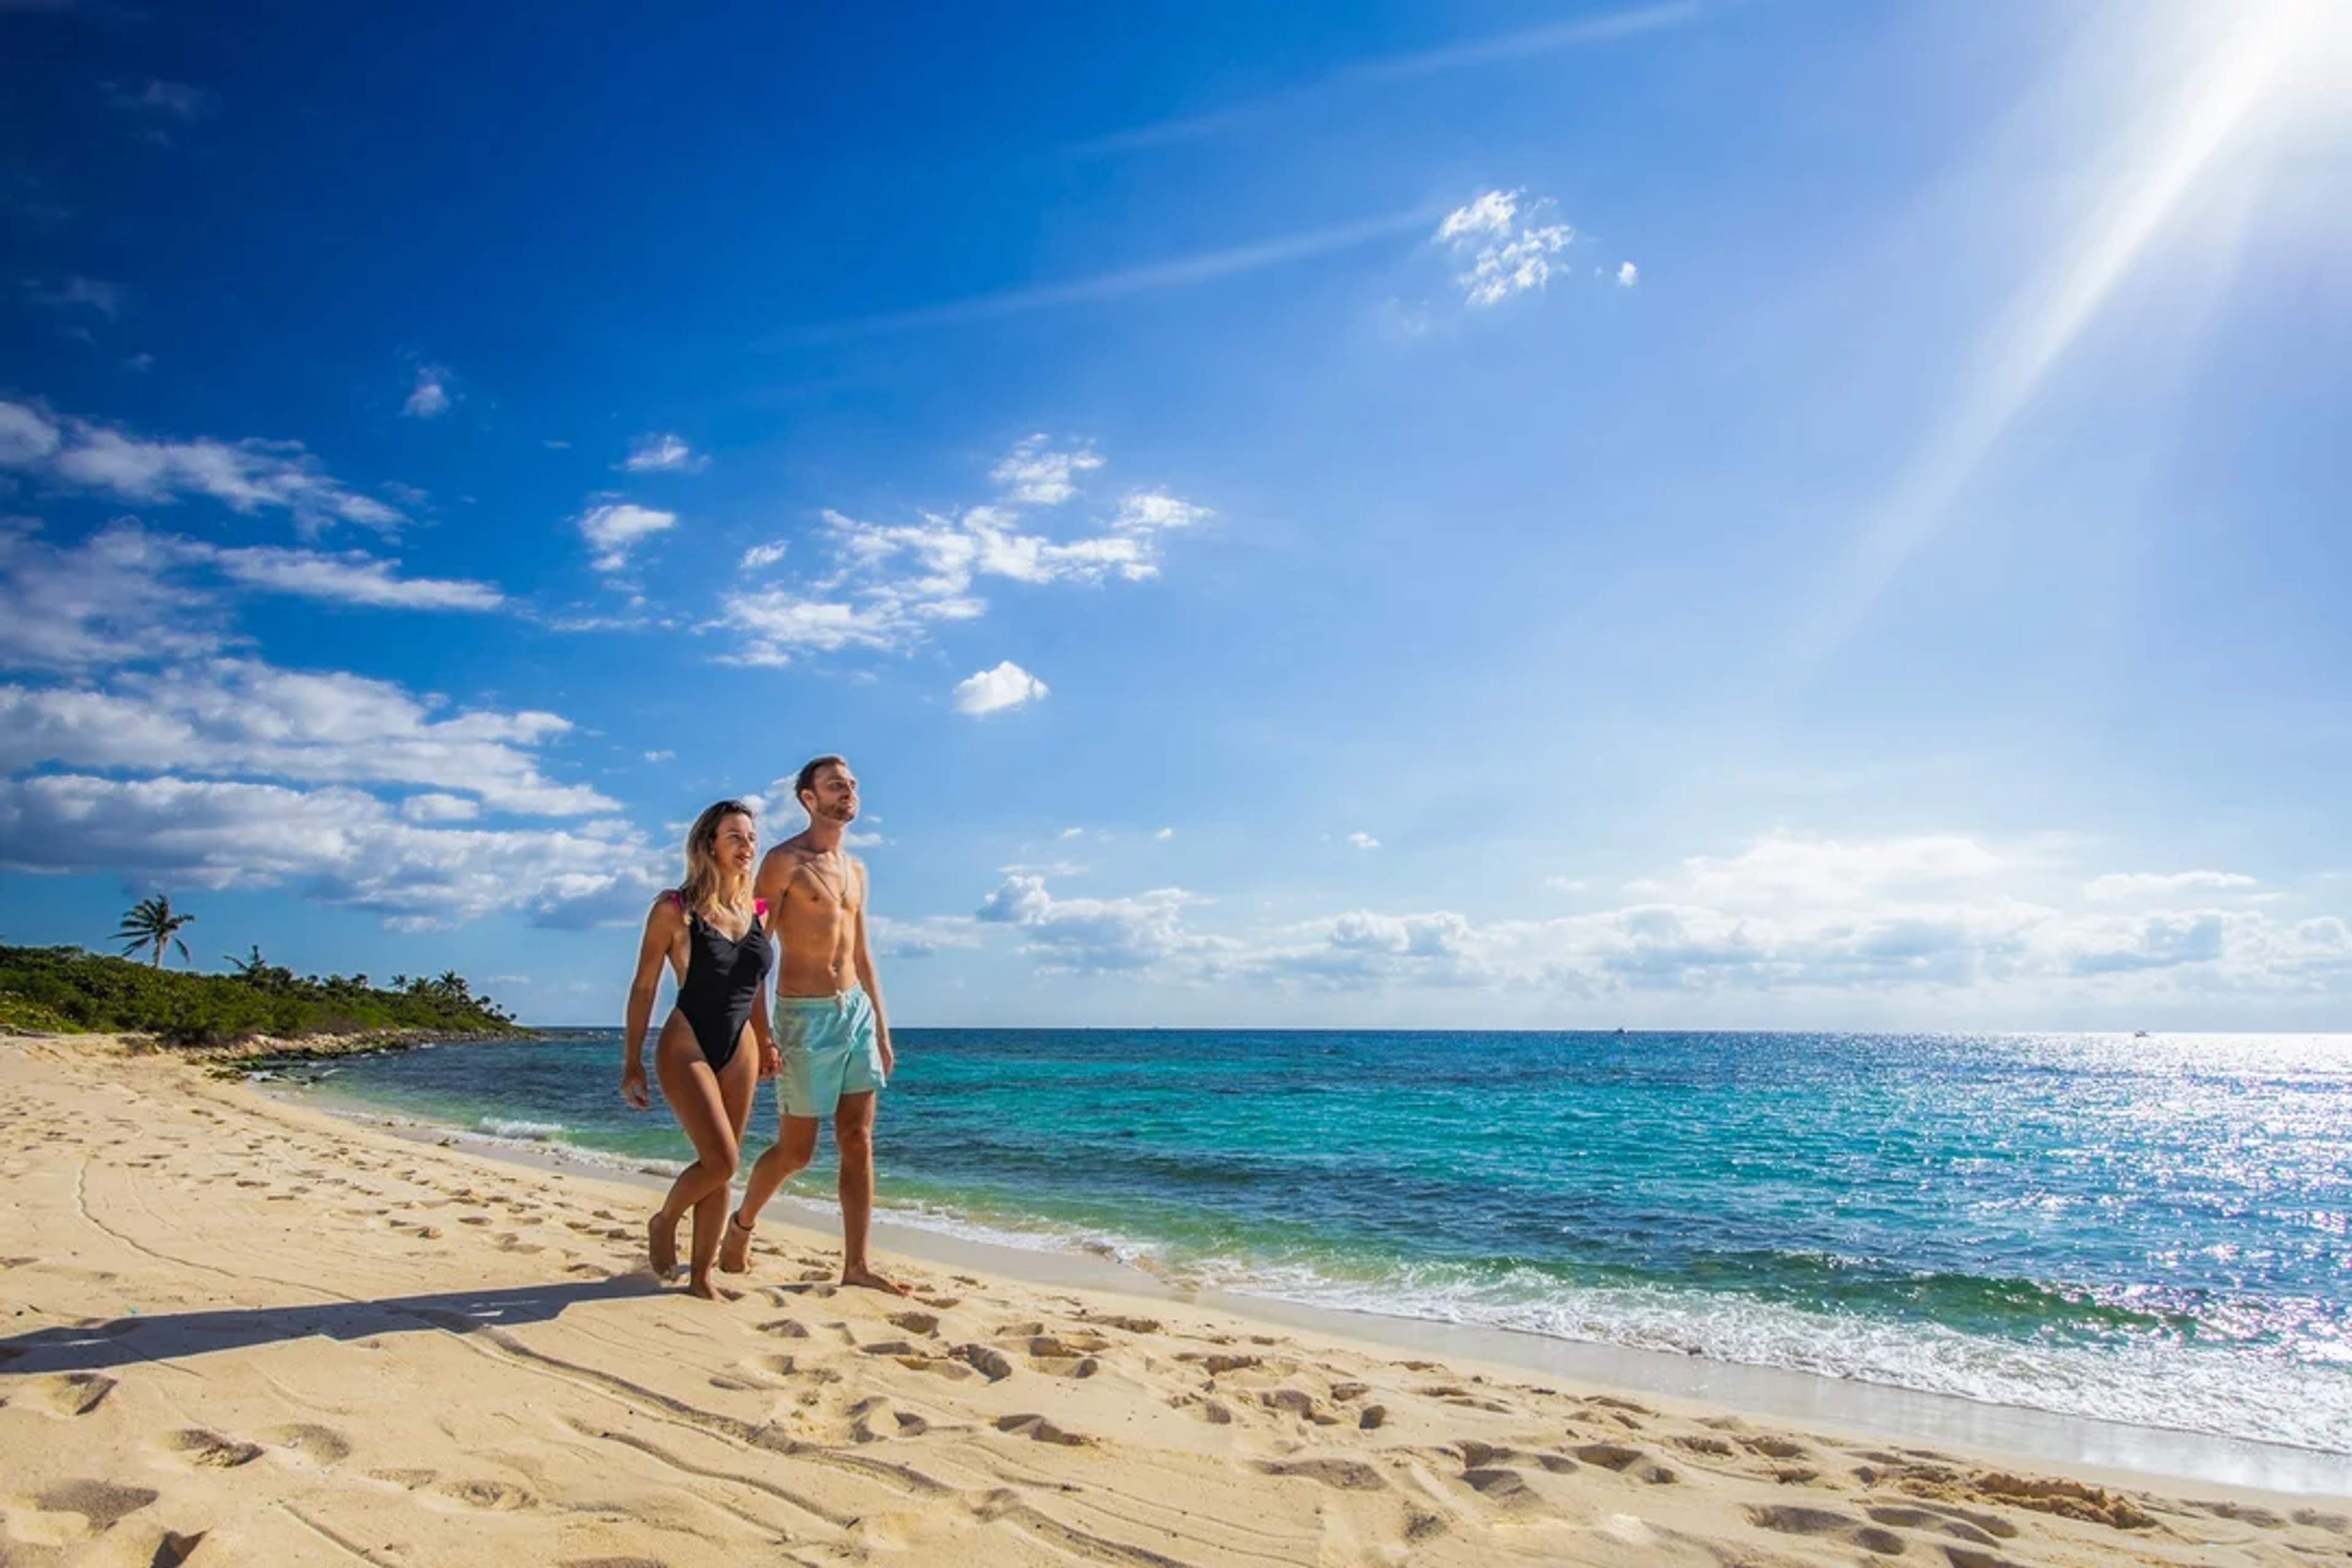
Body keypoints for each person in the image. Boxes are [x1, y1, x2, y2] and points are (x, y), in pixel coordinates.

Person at [720, 755, 908, 1295]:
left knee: (858, 1137)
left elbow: (864, 952)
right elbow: (755, 953)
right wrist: (760, 1031)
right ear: (808, 798)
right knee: (797, 1151)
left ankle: (857, 1265)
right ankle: (742, 1226)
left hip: (855, 1012)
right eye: (835, 785)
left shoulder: (857, 870)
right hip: (802, 1017)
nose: (848, 792)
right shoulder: (780, 863)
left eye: (852, 784)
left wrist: (882, 1027)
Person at [620, 799, 778, 1298]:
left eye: (751, 837)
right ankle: (665, 1221)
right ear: (709, 844)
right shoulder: (675, 909)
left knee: (724, 1161)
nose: (747, 846)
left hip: (742, 1045)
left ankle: (701, 1278)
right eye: (735, 836)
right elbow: (644, 985)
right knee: (721, 1160)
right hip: (687, 1038)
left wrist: (768, 1037)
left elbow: (755, 987)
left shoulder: (758, 910)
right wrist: (631, 1061)